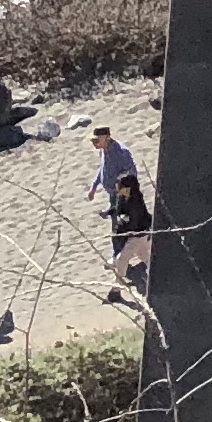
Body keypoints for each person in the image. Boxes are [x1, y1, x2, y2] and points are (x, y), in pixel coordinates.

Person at [88, 127, 152, 303]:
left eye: (96, 140)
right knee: (145, 257)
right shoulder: (104, 152)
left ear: (107, 138)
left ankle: (116, 290)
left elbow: (127, 207)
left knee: (123, 258)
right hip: (130, 220)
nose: (94, 143)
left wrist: (119, 208)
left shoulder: (123, 156)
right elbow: (102, 172)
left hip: (136, 231)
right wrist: (95, 188)